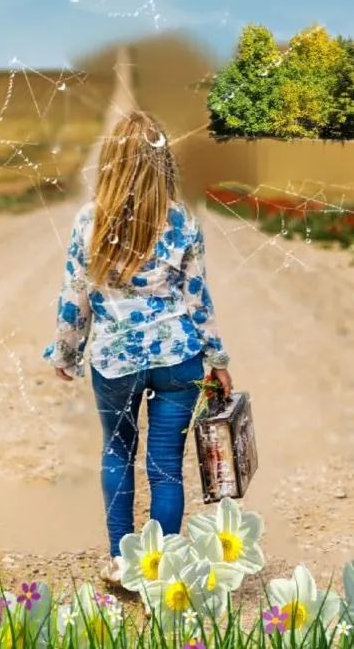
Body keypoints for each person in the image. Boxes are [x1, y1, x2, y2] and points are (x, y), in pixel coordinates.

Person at [43, 110, 233, 586]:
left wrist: (66, 354)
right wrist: (217, 359)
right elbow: (197, 298)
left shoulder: (89, 221)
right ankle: (164, 567)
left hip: (115, 361)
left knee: (117, 452)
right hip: (177, 358)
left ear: (110, 162)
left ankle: (122, 560)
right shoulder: (183, 220)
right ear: (162, 163)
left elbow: (75, 299)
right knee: (167, 463)